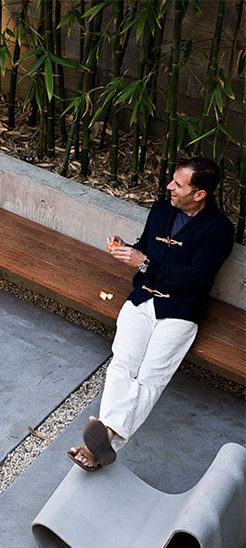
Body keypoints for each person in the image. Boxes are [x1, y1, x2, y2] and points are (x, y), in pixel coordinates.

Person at [69, 157, 234, 471]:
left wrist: (144, 263)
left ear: (200, 194)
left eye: (178, 184)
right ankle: (103, 442)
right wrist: (124, 249)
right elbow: (145, 247)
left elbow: (198, 278)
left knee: (149, 378)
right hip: (142, 301)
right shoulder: (161, 209)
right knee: (121, 364)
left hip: (180, 311)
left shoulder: (219, 229)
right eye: (172, 180)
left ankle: (104, 440)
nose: (169, 187)